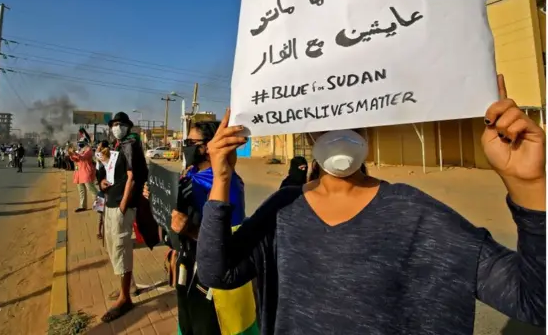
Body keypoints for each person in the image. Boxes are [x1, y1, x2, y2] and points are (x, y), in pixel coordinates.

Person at [196, 79, 546, 335]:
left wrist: (530, 185)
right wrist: (222, 180)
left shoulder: (417, 216)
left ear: (371, 127)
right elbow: (218, 273)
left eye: (350, 115)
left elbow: (535, 301)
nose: (337, 128)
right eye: (323, 118)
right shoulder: (284, 209)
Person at [144, 121, 258, 335]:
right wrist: (155, 198)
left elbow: (228, 242)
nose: (185, 147)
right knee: (190, 321)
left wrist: (189, 230)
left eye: (190, 142)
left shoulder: (226, 184)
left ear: (208, 146)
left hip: (215, 282)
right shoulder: (189, 174)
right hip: (187, 266)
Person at [98, 112, 149, 322]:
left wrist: (122, 205)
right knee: (113, 247)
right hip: (111, 201)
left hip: (121, 206)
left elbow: (132, 179)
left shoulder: (130, 145)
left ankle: (125, 297)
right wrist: (103, 183)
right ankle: (128, 287)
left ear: (128, 126)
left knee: (121, 247)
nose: (117, 127)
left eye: (121, 124)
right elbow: (113, 173)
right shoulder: (117, 146)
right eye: (114, 124)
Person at [68, 129, 98, 212]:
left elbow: (83, 158)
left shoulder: (89, 150)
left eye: (81, 143)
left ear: (85, 142)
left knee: (91, 189)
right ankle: (82, 206)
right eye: (79, 143)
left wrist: (75, 153)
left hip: (86, 172)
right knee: (81, 190)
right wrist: (71, 155)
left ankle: (98, 204)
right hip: (79, 173)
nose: (79, 144)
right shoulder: (80, 150)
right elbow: (76, 159)